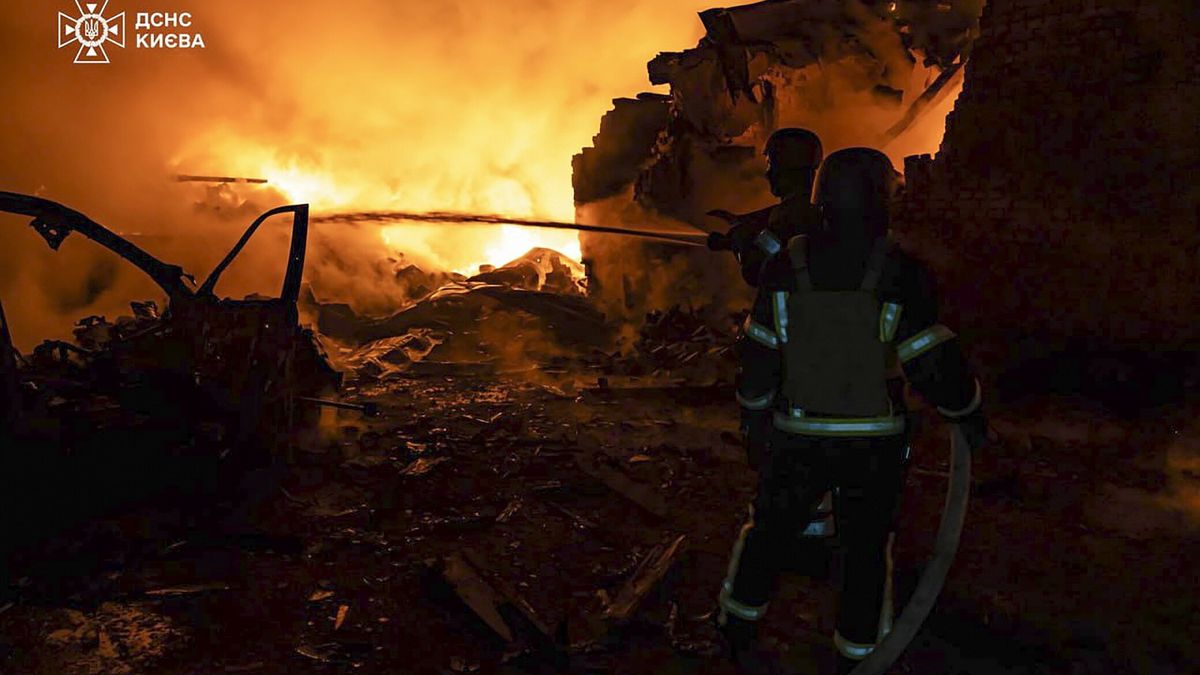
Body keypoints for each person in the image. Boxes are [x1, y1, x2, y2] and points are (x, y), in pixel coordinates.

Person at [717, 147, 988, 675]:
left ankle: (736, 629)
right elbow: (931, 360)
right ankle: (858, 656)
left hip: (796, 435)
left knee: (768, 532)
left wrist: (753, 416)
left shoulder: (786, 265)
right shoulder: (900, 270)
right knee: (866, 552)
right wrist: (968, 410)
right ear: (882, 201)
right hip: (873, 444)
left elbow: (760, 353)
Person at [708, 128, 825, 287]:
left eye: (770, 164)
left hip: (793, 300)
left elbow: (756, 267)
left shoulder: (786, 218)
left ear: (782, 167)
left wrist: (741, 240)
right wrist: (742, 220)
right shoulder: (817, 206)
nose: (767, 173)